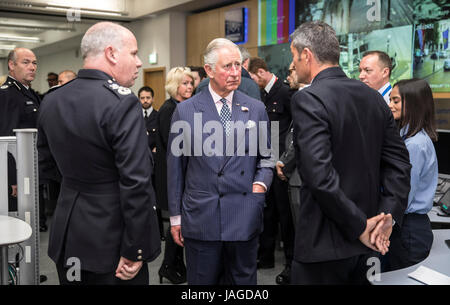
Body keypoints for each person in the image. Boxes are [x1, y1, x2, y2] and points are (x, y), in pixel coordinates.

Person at [37, 21, 161, 285]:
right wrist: (135, 249)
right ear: (111, 54)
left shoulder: (51, 99)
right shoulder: (123, 102)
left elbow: (46, 164)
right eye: (134, 53)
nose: (139, 62)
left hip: (68, 235)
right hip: (112, 241)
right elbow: (136, 182)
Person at [289, 21, 411, 284]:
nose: (293, 64)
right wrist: (385, 218)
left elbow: (319, 176)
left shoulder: (309, 98)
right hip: (371, 244)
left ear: (307, 55)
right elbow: (399, 164)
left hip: (325, 247)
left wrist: (360, 227)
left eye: (294, 56)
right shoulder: (374, 98)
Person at [167, 38, 274, 285]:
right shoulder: (185, 111)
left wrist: (260, 186)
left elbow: (268, 157)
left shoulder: (257, 108)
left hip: (244, 215)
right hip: (201, 218)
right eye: (227, 66)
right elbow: (175, 170)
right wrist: (175, 217)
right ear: (209, 70)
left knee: (243, 283)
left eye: (238, 65)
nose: (235, 72)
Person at [247, 56, 294, 285]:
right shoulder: (263, 95)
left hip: (282, 164)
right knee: (268, 212)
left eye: (252, 76)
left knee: (285, 217)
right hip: (268, 161)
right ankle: (265, 257)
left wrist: (286, 160)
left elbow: (293, 128)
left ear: (261, 73)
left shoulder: (284, 92)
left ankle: (290, 264)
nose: (251, 80)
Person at [384, 78, 438, 271]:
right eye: (390, 100)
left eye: (396, 101)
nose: (390, 105)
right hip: (407, 227)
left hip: (409, 230)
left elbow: (403, 195)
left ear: (413, 103)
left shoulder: (415, 144)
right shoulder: (408, 139)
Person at [0, 47, 49, 231]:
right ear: (11, 65)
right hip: (19, 175)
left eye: (34, 63)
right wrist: (12, 178)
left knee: (31, 225)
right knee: (18, 228)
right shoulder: (7, 94)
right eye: (26, 62)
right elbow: (5, 139)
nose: (32, 67)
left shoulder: (29, 93)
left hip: (32, 169)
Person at [155, 67, 194, 284]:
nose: (189, 87)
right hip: (172, 175)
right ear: (174, 86)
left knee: (180, 222)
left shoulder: (183, 107)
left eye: (190, 83)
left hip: (182, 173)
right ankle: (169, 265)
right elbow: (174, 149)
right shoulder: (170, 109)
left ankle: (173, 265)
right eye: (184, 83)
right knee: (177, 222)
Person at [195, 46, 261, 101]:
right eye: (227, 66)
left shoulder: (202, 86)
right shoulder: (250, 86)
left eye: (237, 64)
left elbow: (197, 115)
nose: (234, 73)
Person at [138, 86, 158, 153]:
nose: (145, 100)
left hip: (154, 156)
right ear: (139, 99)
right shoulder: (134, 116)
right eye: (142, 98)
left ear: (153, 99)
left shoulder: (159, 116)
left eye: (148, 98)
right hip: (138, 155)